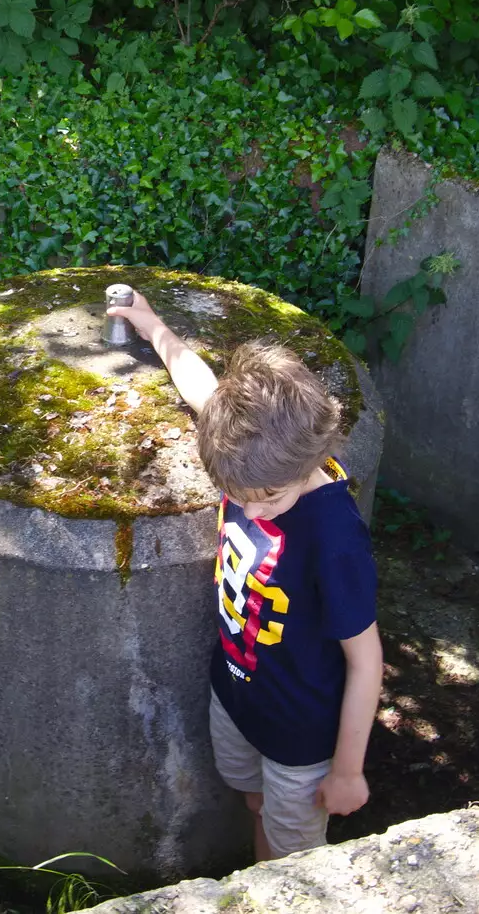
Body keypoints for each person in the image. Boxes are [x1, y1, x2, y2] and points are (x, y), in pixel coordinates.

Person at [107, 289, 383, 863]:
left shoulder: (334, 538)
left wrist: (349, 771)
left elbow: (366, 660)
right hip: (236, 697)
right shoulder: (250, 453)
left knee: (293, 859)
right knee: (255, 805)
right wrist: (151, 322)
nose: (250, 512)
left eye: (268, 500)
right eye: (236, 499)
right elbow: (199, 383)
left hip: (301, 737)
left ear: (309, 462)